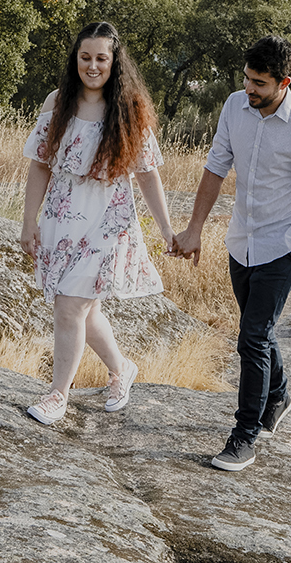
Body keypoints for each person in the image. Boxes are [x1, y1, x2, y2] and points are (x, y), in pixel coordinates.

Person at [171, 34, 291, 471]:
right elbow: (215, 168)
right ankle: (278, 395)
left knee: (252, 337)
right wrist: (194, 229)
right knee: (257, 330)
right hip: (241, 241)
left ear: (284, 82)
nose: (249, 88)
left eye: (259, 83)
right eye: (246, 78)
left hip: (284, 243)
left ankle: (244, 438)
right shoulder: (233, 106)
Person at [20, 21, 176, 425]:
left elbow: (147, 174)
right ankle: (121, 368)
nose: (92, 66)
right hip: (61, 220)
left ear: (114, 62)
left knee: (69, 306)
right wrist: (29, 220)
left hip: (107, 224)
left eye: (101, 59)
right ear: (75, 59)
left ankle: (58, 394)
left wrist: (165, 229)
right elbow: (40, 165)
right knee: (84, 311)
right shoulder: (57, 102)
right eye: (85, 57)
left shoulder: (129, 109)